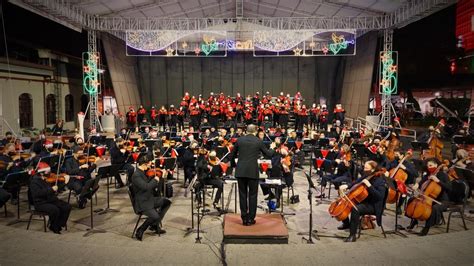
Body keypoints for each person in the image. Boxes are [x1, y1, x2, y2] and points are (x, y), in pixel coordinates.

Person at [231, 124, 276, 226]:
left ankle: (244, 218)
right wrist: (273, 147)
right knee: (253, 195)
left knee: (242, 195)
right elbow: (268, 154)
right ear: (255, 131)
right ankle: (251, 219)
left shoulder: (239, 140)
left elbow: (232, 155)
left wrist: (234, 166)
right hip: (252, 171)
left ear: (246, 131)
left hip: (241, 171)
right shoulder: (258, 141)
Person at [337, 160, 387, 242]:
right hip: (365, 200)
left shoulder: (380, 181)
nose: (364, 169)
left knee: (355, 209)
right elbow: (356, 182)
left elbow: (379, 197)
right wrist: (347, 186)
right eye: (364, 167)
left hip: (374, 205)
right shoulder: (367, 175)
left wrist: (369, 185)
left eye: (366, 168)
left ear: (373, 169)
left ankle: (352, 236)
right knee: (345, 202)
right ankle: (346, 224)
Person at [407, 159, 451, 236]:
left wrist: (438, 181)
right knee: (411, 200)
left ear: (436, 166)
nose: (428, 167)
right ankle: (414, 221)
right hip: (428, 198)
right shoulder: (428, 175)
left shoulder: (443, 175)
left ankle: (426, 228)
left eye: (430, 165)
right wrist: (416, 185)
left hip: (442, 200)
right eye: (428, 166)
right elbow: (420, 184)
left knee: (434, 208)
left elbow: (449, 188)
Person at [132, 154, 171, 241]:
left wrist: (161, 177)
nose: (151, 166)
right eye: (149, 164)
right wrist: (156, 178)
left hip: (149, 199)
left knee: (167, 202)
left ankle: (154, 225)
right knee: (156, 216)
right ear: (144, 164)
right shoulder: (136, 175)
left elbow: (150, 184)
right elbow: (146, 186)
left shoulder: (144, 172)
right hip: (142, 202)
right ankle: (141, 229)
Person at [29, 164, 71, 234]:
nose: (49, 173)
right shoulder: (34, 182)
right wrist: (51, 189)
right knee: (55, 210)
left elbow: (57, 188)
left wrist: (65, 183)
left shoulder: (46, 179)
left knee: (67, 206)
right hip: (41, 203)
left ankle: (59, 224)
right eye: (47, 172)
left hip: (50, 199)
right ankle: (53, 226)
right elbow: (38, 193)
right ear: (41, 173)